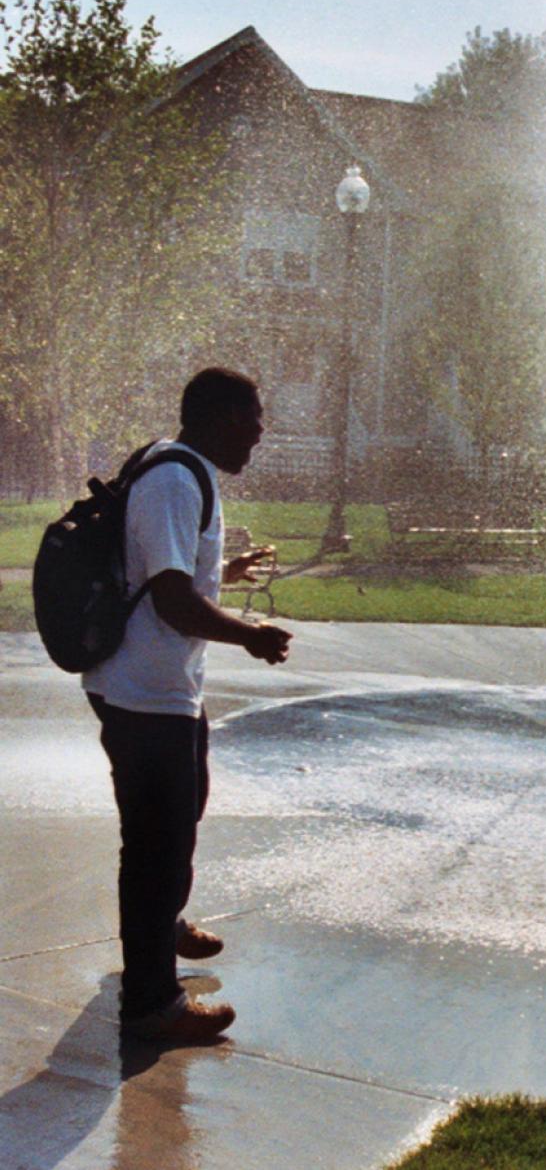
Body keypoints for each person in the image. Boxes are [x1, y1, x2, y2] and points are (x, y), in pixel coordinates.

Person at [83, 368, 293, 1041]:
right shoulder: (176, 478)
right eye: (253, 429)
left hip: (160, 688)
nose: (256, 443)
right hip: (145, 690)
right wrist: (251, 637)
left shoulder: (175, 467)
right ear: (224, 417)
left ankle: (162, 924)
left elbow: (162, 573)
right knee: (154, 844)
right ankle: (152, 1005)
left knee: (181, 814)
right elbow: (172, 600)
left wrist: (220, 576)